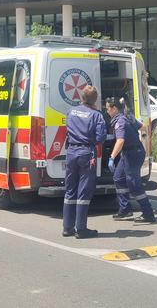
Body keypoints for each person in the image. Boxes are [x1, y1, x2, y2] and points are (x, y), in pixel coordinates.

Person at [62, 85, 107, 239]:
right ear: (95, 100)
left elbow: (67, 129)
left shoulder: (71, 111)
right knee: (84, 191)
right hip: (86, 153)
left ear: (81, 98)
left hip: (71, 152)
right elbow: (101, 138)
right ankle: (81, 229)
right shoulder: (97, 115)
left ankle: (67, 227)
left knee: (70, 190)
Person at [105, 97, 156, 223]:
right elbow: (143, 127)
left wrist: (112, 157)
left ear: (114, 108)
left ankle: (148, 213)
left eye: (107, 109)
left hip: (132, 154)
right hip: (130, 153)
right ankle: (125, 210)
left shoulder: (120, 122)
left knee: (134, 185)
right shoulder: (127, 117)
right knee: (118, 178)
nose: (106, 111)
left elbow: (120, 141)